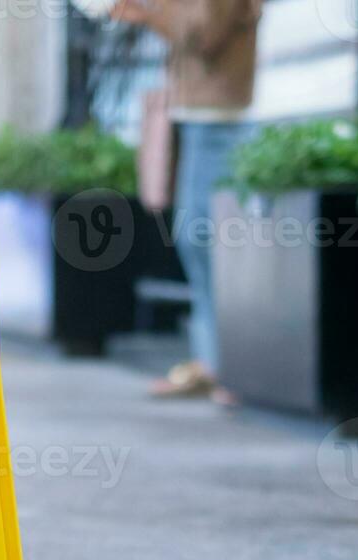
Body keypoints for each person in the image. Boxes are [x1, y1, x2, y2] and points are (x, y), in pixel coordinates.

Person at [112, 0, 261, 399]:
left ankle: (227, 367)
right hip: (200, 115)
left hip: (219, 119)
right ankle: (213, 362)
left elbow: (202, 35)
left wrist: (148, 11)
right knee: (196, 241)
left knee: (206, 242)